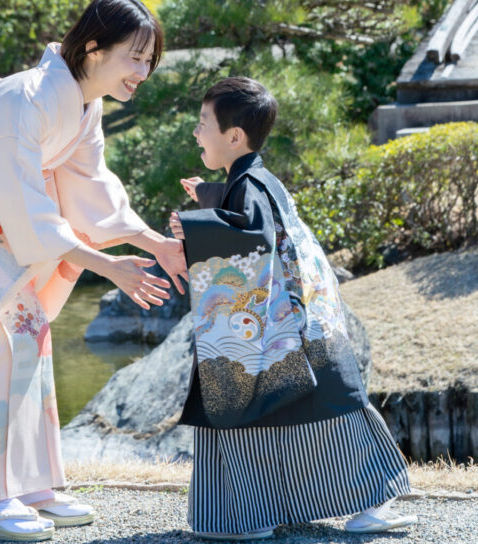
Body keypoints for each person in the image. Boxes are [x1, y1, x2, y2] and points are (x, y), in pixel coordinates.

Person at [0, 0, 187, 542]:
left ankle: (35, 484)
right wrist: (105, 265)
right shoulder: (23, 99)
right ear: (93, 48)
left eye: (149, 61)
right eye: (134, 58)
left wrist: (153, 241)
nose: (143, 72)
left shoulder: (82, 104)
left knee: (28, 333)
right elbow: (28, 209)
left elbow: (91, 190)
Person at [169, 77, 416, 541]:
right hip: (299, 322)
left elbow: (251, 238)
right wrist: (207, 199)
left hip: (281, 328)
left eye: (204, 124)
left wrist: (193, 227)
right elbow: (249, 220)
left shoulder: (249, 184)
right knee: (319, 415)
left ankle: (252, 516)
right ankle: (360, 508)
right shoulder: (254, 178)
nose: (197, 134)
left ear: (233, 136)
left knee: (269, 415)